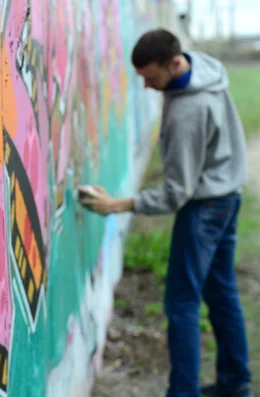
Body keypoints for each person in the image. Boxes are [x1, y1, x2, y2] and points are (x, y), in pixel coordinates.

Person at [79, 29, 252, 397]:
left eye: (152, 79)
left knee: (181, 303)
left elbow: (177, 193)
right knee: (221, 292)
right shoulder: (206, 68)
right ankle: (236, 382)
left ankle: (184, 392)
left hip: (205, 207)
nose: (147, 87)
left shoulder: (188, 110)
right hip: (228, 196)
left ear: (174, 63)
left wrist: (120, 204)